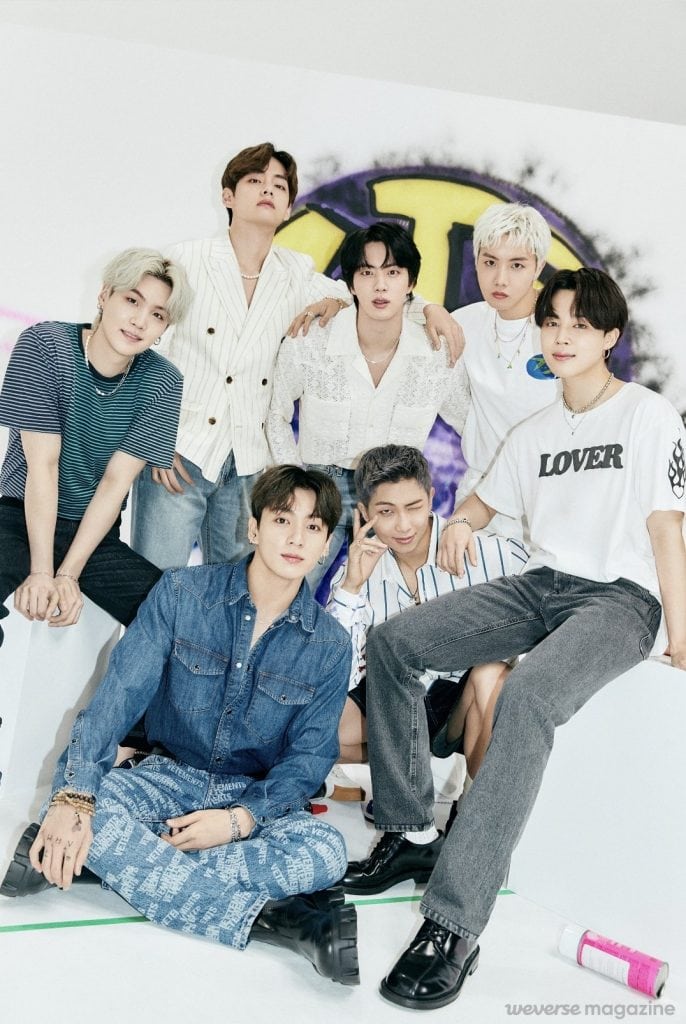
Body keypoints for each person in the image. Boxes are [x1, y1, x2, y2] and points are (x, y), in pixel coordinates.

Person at [342, 268, 686, 1009]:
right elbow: (479, 504)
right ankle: (409, 831)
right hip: (542, 585)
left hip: (622, 599)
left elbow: (667, 528)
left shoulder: (647, 415)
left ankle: (453, 925)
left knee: (526, 696)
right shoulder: (535, 432)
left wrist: (681, 637)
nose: (561, 336)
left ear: (609, 337)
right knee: (398, 642)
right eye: (552, 322)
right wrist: (461, 525)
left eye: (580, 325)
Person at [1, 466, 359, 986]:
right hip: (165, 778)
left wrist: (237, 822)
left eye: (313, 527)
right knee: (83, 812)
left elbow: (307, 764)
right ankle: (281, 921)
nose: (296, 538)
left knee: (326, 851)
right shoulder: (181, 593)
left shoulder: (330, 645)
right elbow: (115, 700)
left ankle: (107, 865)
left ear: (326, 545)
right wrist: (72, 799)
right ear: (254, 527)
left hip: (250, 795)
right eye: (283, 520)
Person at [132, 142, 460, 572]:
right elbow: (144, 348)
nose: (267, 189)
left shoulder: (298, 274)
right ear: (228, 195)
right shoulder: (184, 261)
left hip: (250, 463)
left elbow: (374, 296)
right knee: (150, 582)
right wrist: (153, 437)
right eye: (255, 180)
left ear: (288, 207)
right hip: (181, 451)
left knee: (240, 591)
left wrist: (430, 309)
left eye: (279, 185)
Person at [0, 248, 192, 650]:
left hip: (91, 532)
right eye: (132, 300)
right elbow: (43, 466)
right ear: (105, 295)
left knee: (179, 621)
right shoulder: (45, 345)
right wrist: (41, 572)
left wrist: (68, 574)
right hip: (18, 516)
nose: (140, 321)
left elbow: (114, 484)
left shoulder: (163, 381)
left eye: (157, 314)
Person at [267, 222, 470, 589]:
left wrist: (472, 503)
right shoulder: (312, 340)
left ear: (410, 282)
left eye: (392, 273)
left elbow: (472, 425)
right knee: (286, 592)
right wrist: (294, 485)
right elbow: (275, 414)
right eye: (366, 273)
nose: (380, 285)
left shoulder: (436, 355)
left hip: (394, 499)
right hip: (321, 489)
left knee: (397, 602)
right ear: (350, 284)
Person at [324, 444, 525, 800]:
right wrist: (352, 586)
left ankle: (476, 806)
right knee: (315, 727)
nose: (403, 525)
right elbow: (331, 672)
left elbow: (547, 601)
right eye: (386, 511)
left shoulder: (491, 553)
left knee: (490, 674)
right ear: (364, 513)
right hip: (392, 701)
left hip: (460, 703)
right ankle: (408, 775)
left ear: (431, 498)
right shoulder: (355, 571)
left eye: (414, 507)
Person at [447, 202, 558, 540]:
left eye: (517, 265)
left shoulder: (561, 329)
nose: (500, 279)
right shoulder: (462, 324)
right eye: (490, 262)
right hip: (479, 500)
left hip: (550, 498)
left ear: (538, 266)